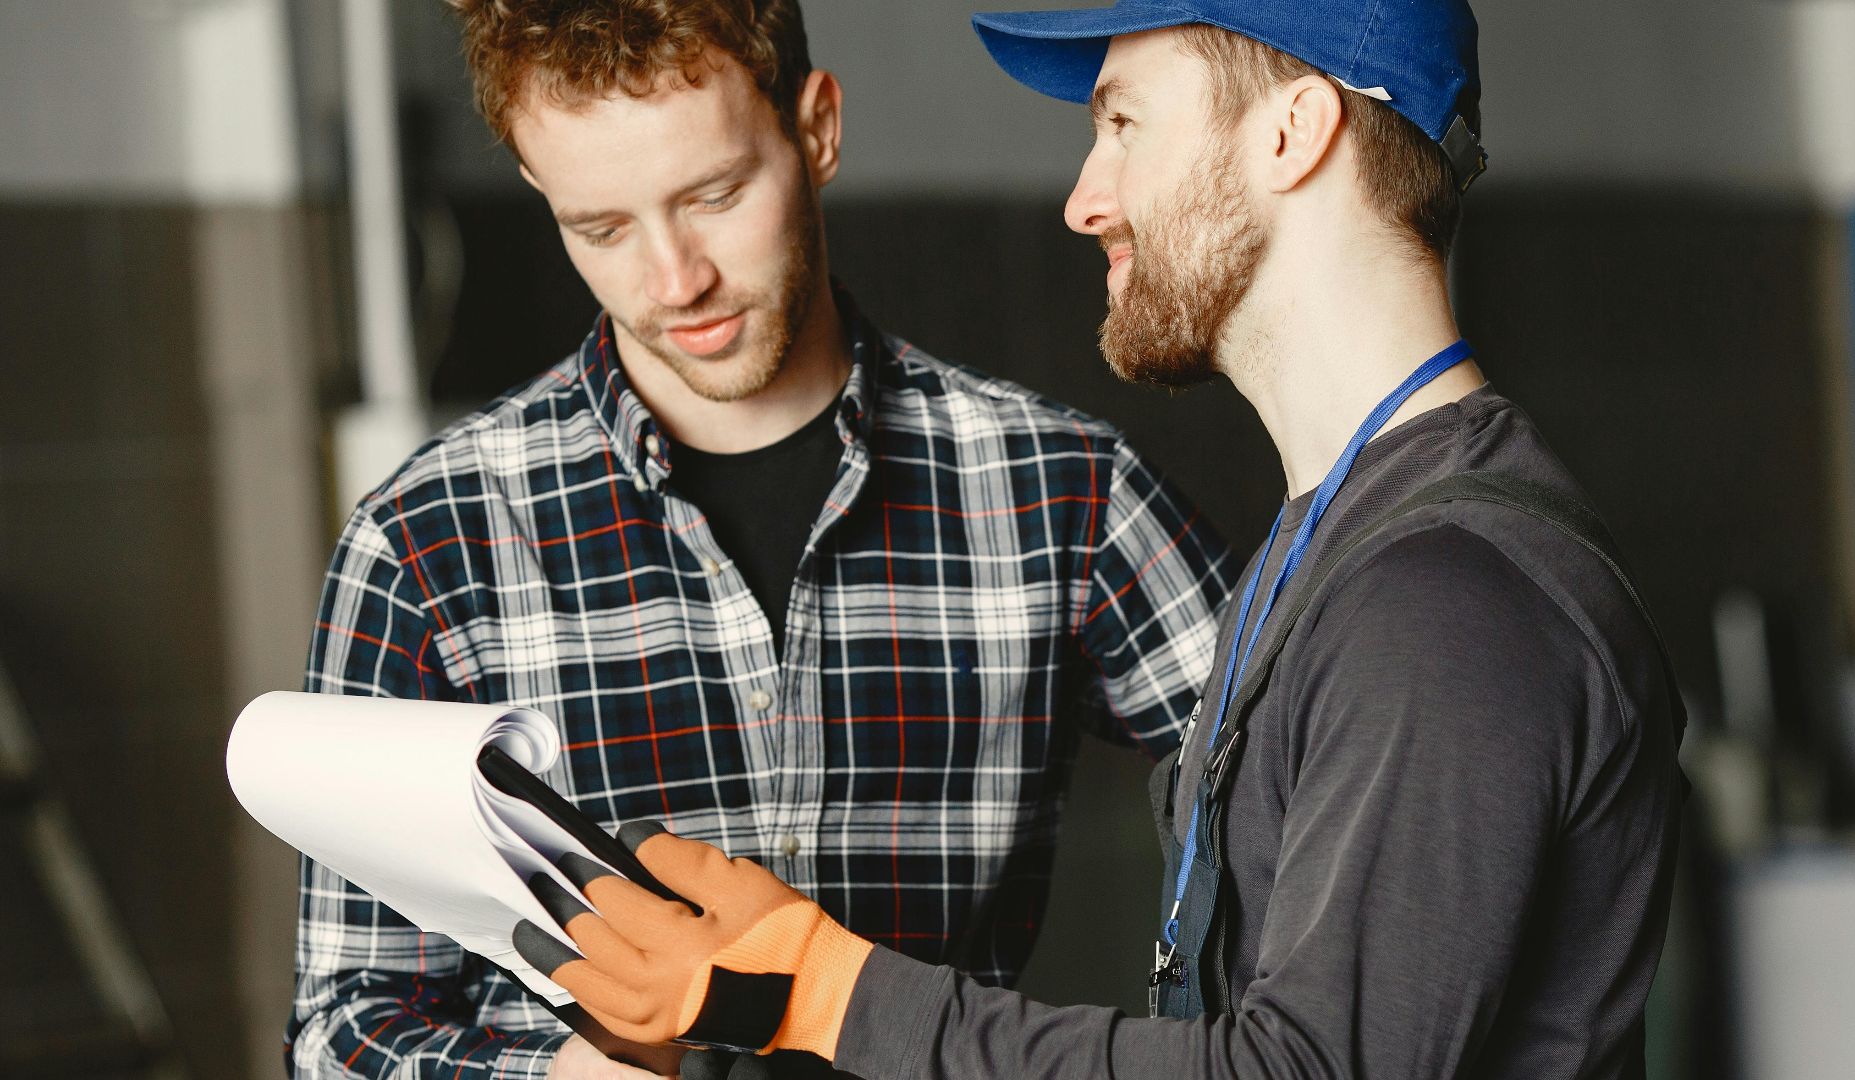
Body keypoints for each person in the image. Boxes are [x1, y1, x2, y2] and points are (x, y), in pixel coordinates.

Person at [511, 1, 1691, 1078]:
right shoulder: (1330, 551)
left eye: (1124, 122)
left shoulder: (1444, 603)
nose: (1085, 197)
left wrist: (825, 990)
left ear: (1293, 134)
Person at [286, 1, 1237, 1077]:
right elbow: (343, 1028)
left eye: (716, 196)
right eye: (601, 228)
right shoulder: (423, 546)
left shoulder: (1056, 490)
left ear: (817, 128)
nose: (674, 278)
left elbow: (1310, 783)